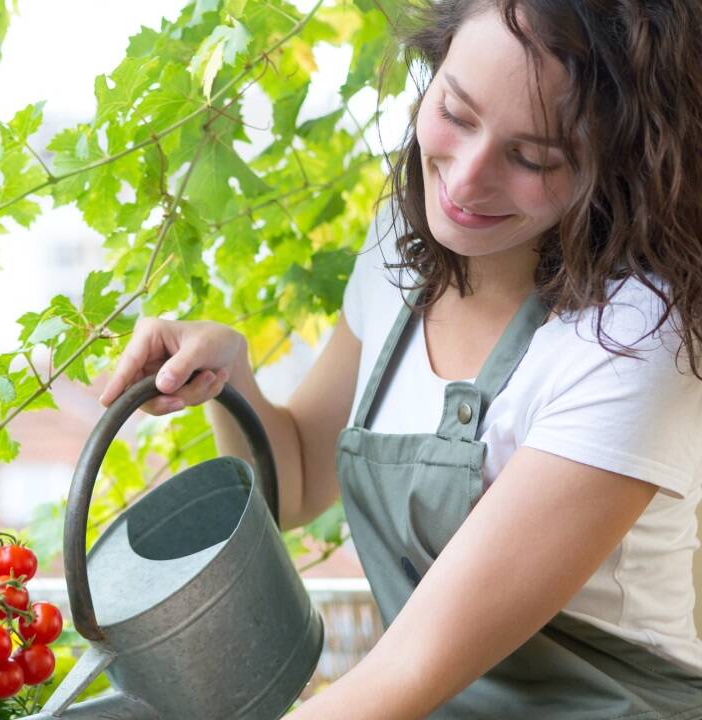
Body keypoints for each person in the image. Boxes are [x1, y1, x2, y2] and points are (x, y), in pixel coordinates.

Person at [97, 0, 702, 717]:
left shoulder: (635, 336)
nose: (467, 179)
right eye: (455, 110)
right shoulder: (398, 257)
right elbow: (292, 485)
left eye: (533, 156)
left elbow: (408, 670)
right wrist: (234, 375)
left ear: (614, 158)